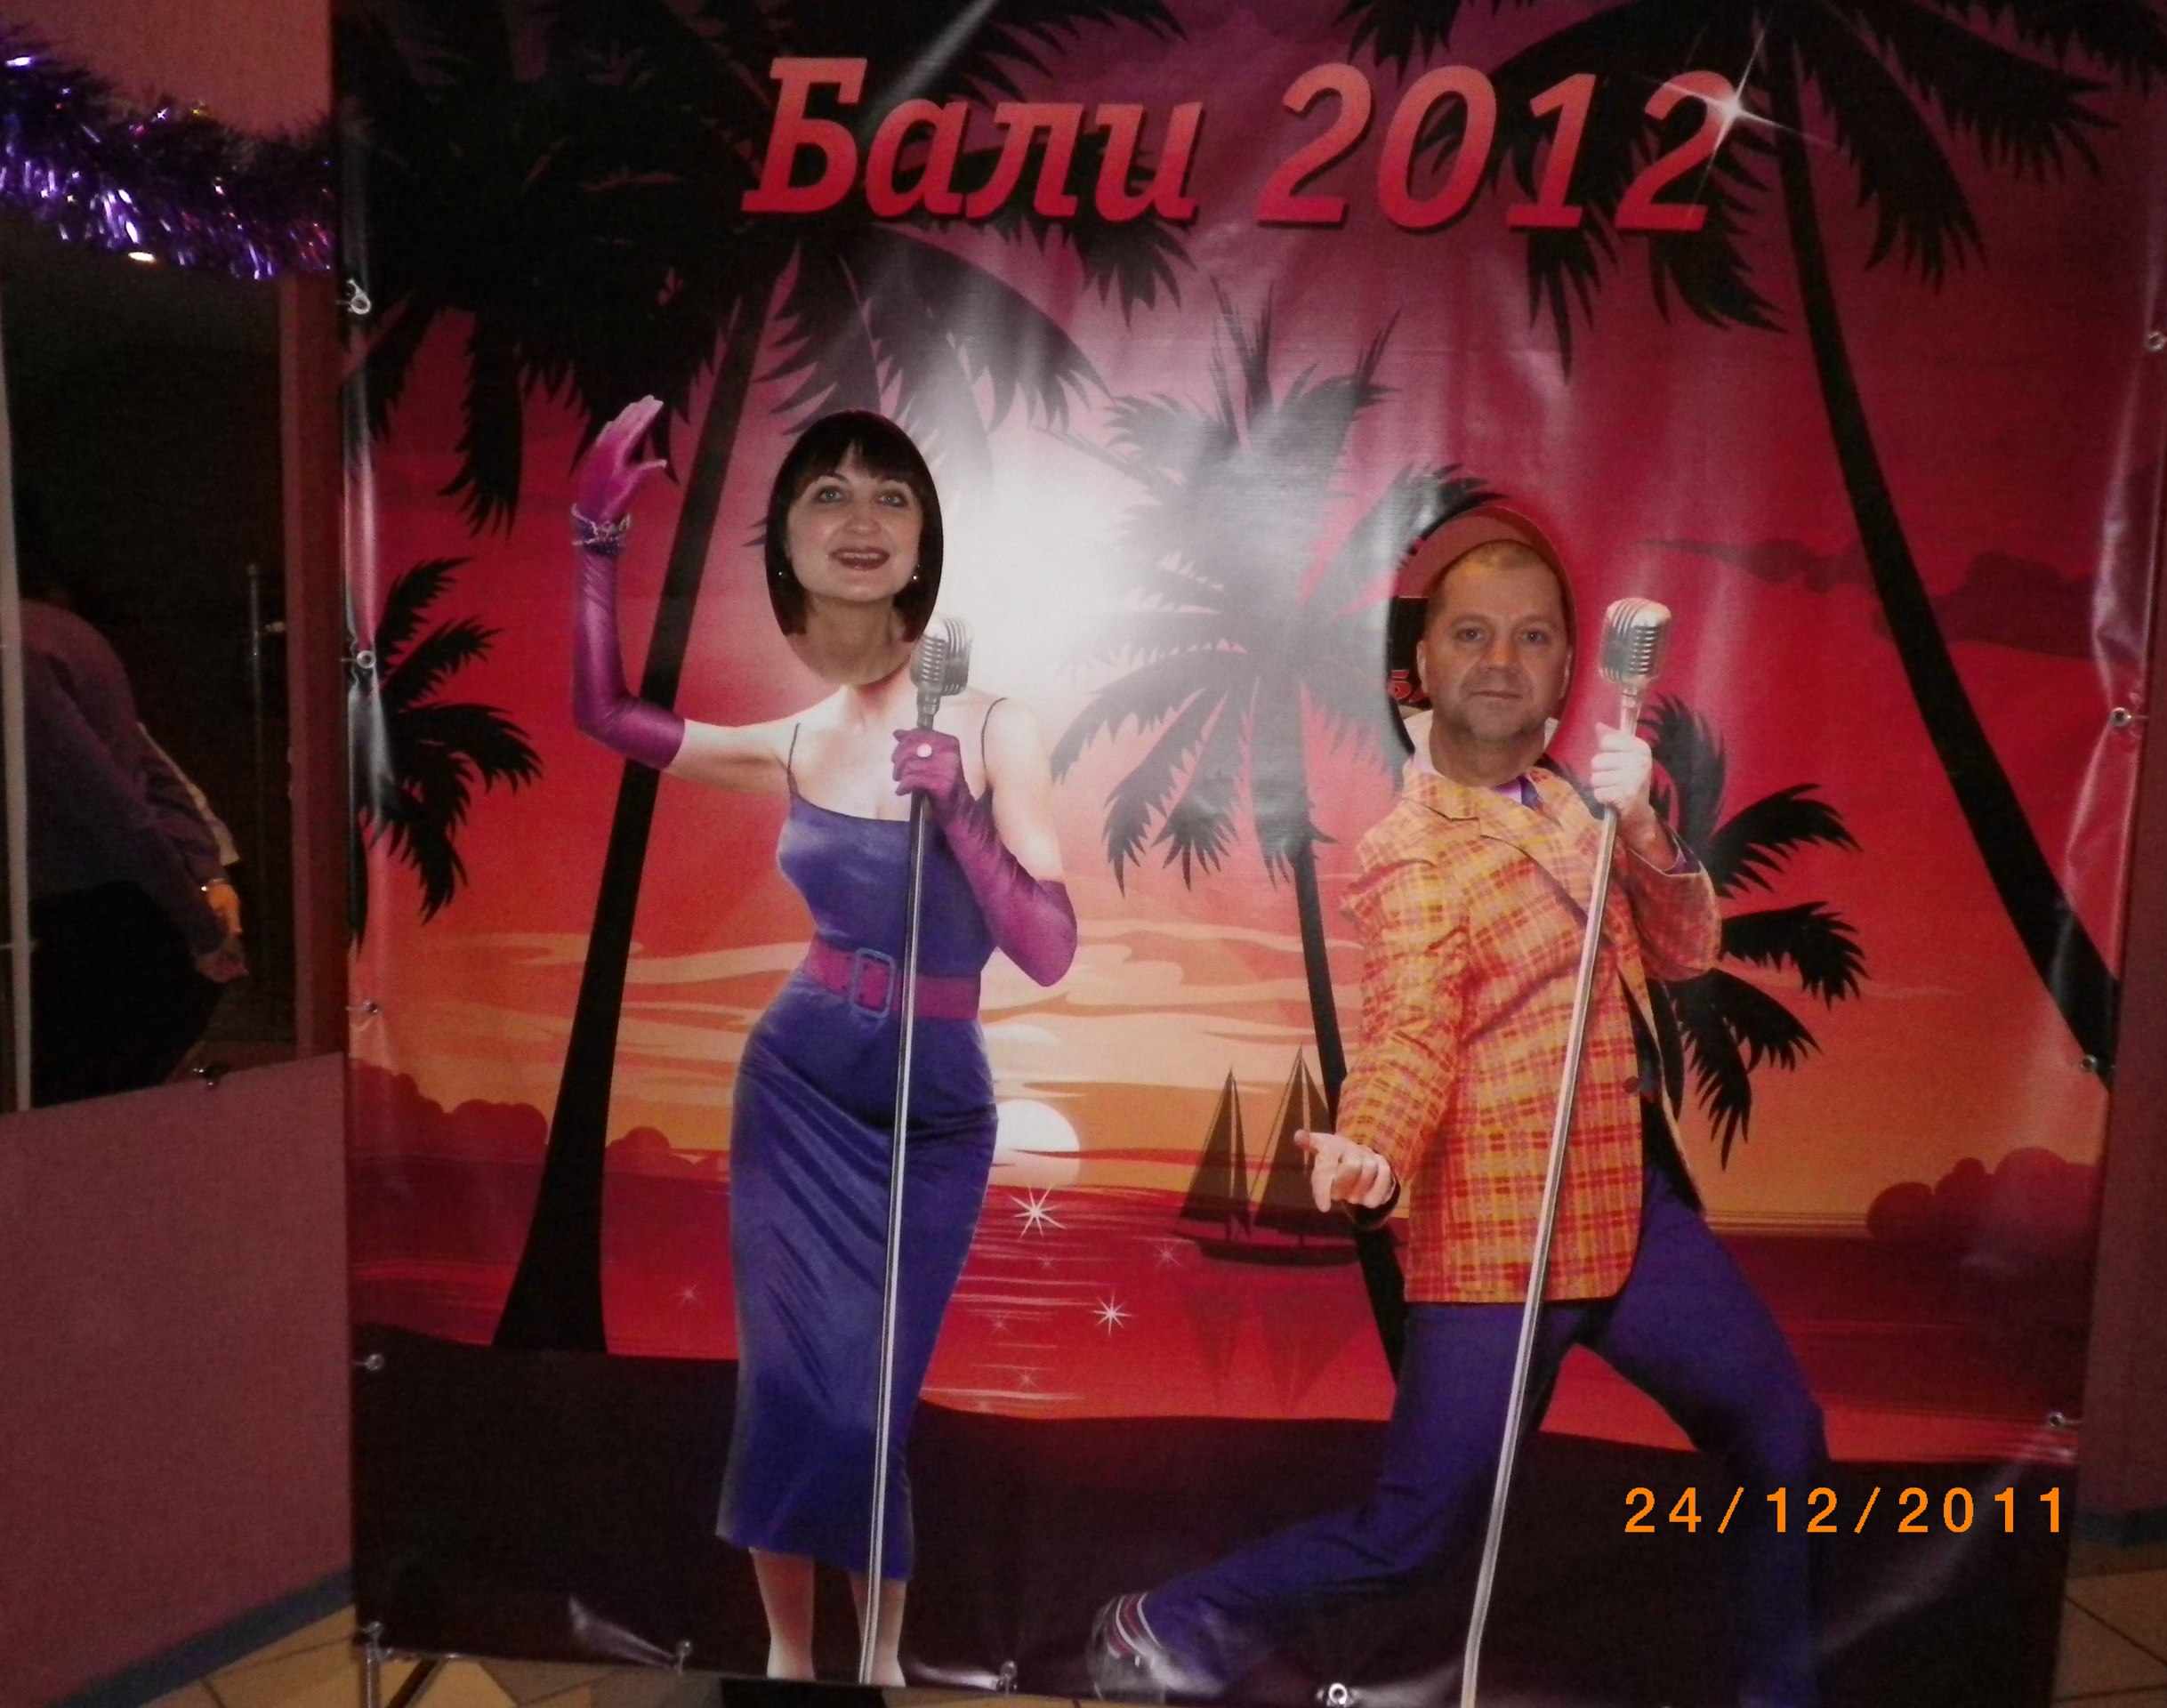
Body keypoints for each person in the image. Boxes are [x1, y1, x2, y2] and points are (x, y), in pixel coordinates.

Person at [1087, 507, 1825, 1707]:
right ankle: (1165, 1621)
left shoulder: (1577, 805)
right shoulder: (1411, 852)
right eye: (1470, 634)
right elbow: (1412, 1031)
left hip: (1626, 1211)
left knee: (1780, 1435)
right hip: (1497, 1238)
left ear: (1568, 671)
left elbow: (1687, 954)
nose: (1501, 658)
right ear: (1417, 670)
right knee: (1414, 1536)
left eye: (1533, 637)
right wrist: (1373, 1147)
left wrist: (1645, 824)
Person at [570, 398, 1076, 1683]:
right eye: (828, 494)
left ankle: (882, 1666)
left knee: (870, 1405)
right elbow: (610, 717)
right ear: (787, 546)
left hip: (934, 1112)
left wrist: (959, 808)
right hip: (795, 1088)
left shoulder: (996, 724)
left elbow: (1050, 947)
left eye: (891, 495)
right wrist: (593, 544)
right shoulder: (796, 741)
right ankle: (791, 1664)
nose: (861, 517)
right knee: (788, 1394)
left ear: (923, 547)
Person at [20, 560, 246, 1105]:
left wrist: (199, 920)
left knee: (75, 1108)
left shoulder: (23, 648)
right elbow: (150, 770)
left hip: (97, 904)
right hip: (136, 887)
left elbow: (114, 805)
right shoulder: (60, 633)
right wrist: (207, 878)